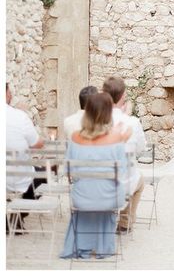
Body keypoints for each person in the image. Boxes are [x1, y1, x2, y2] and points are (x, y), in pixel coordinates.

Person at [60, 92, 130, 259]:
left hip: (81, 198)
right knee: (109, 191)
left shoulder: (75, 137)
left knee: (89, 192)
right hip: (109, 199)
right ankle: (102, 246)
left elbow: (68, 172)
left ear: (87, 111)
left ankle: (81, 245)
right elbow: (122, 174)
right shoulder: (116, 139)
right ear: (108, 113)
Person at [102, 76, 146, 233]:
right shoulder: (131, 122)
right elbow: (141, 148)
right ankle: (125, 221)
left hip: (96, 183)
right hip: (122, 182)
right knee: (138, 179)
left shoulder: (95, 119)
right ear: (123, 97)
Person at [6, 82, 45, 232]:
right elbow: (37, 144)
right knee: (42, 176)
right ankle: (17, 215)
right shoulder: (19, 117)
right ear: (7, 93)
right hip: (15, 178)